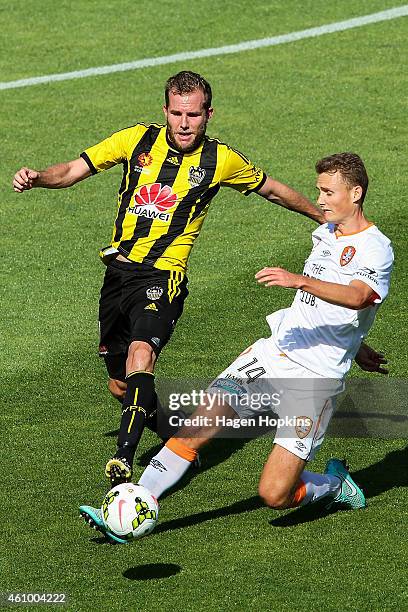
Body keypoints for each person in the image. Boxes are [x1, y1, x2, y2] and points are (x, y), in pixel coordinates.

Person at [13, 70, 323, 490]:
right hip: (118, 275)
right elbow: (71, 170)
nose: (183, 123)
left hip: (164, 275)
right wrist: (37, 179)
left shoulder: (221, 160)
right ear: (165, 111)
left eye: (193, 115)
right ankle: (175, 443)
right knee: (121, 385)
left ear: (208, 114)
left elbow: (273, 190)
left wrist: (321, 216)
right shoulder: (135, 139)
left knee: (142, 355)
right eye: (176, 113)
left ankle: (123, 461)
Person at [79, 152, 393, 543]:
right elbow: (333, 307)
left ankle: (333, 486)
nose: (321, 200)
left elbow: (360, 296)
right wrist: (357, 343)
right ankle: (135, 503)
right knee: (197, 427)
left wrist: (299, 281)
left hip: (315, 379)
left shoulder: (376, 247)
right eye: (319, 191)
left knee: (275, 494)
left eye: (328, 192)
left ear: (356, 192)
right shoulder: (326, 232)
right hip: (272, 353)